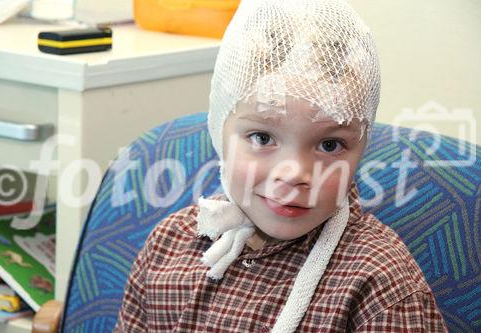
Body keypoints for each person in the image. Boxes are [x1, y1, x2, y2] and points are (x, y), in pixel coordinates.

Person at [114, 0, 447, 331]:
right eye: (262, 138)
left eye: (329, 145)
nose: (294, 174)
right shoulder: (168, 246)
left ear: (361, 150)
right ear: (219, 132)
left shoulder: (381, 286)